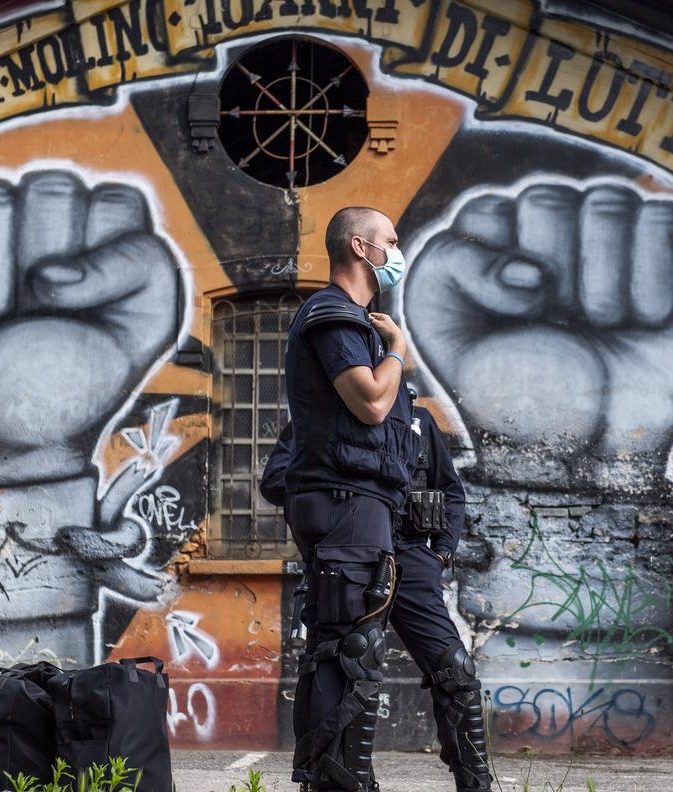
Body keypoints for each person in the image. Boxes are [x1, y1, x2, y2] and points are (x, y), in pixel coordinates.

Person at [261, 388, 491, 791]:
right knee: (347, 666)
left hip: (411, 557)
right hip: (351, 554)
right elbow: (277, 481)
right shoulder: (314, 418)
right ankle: (347, 782)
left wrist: (440, 555)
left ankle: (476, 783)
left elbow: (450, 490)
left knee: (456, 668)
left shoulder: (417, 421)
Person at [278, 206, 419, 792]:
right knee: (349, 649)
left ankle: (333, 779)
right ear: (361, 248)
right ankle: (340, 783)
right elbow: (371, 403)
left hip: (350, 501)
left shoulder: (350, 317)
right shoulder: (335, 314)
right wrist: (396, 351)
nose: (397, 249)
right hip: (342, 501)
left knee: (339, 646)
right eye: (390, 240)